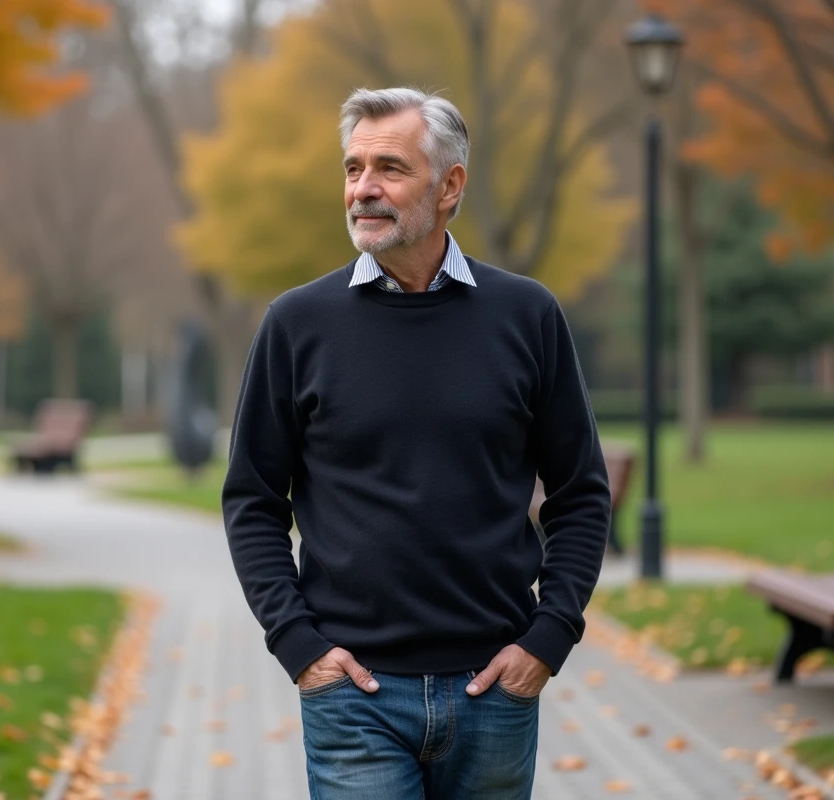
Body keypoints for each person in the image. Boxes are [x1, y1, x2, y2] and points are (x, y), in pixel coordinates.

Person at [222, 87, 611, 800]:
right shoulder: (296, 324)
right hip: (353, 697)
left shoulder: (527, 315)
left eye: (389, 168)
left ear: (450, 185)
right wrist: (300, 647)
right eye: (352, 168)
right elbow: (252, 498)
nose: (363, 189)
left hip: (496, 691)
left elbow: (580, 493)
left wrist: (547, 640)